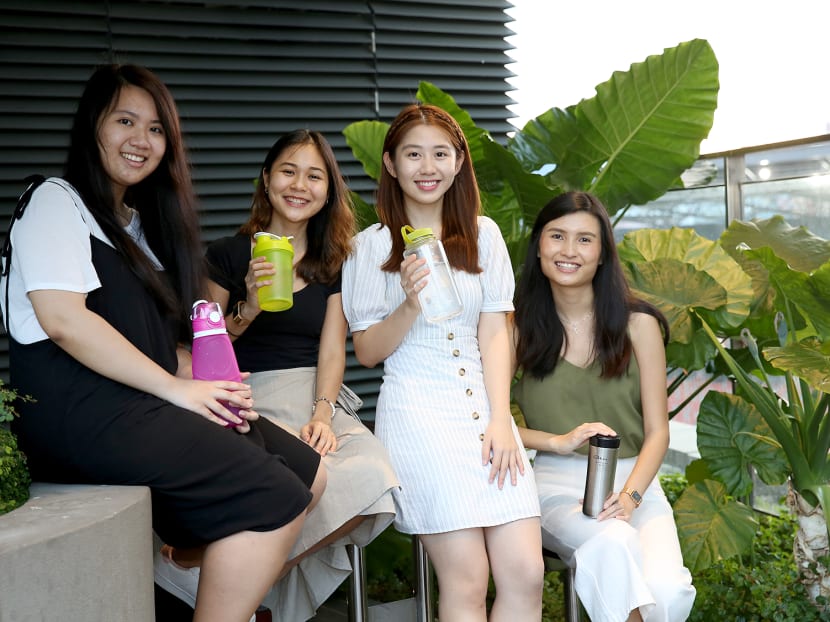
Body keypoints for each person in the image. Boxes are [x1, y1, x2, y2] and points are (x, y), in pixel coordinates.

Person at [1, 64, 326, 622]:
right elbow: (63, 322)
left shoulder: (135, 227)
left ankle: (188, 568)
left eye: (156, 129)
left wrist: (213, 384)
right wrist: (179, 391)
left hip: (136, 402)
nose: (141, 140)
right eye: (125, 121)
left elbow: (157, 343)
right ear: (92, 127)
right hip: (79, 412)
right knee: (276, 496)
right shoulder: (56, 200)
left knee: (310, 474)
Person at [341, 103, 544, 621]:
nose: (426, 167)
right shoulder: (368, 248)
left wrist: (501, 418)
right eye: (413, 154)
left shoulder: (485, 235)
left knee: (526, 573)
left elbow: (496, 330)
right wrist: (409, 302)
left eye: (439, 154)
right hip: (418, 417)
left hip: (485, 415)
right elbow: (366, 351)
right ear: (390, 164)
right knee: (468, 580)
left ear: (458, 163)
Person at [202, 129, 398, 620]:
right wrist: (246, 306)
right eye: (288, 171)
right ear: (267, 179)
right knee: (299, 482)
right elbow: (202, 354)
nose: (299, 185)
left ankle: (230, 571)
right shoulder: (226, 254)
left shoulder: (335, 263)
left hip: (313, 394)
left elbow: (332, 350)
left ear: (328, 191)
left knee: (374, 481)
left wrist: (324, 416)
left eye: (315, 176)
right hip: (247, 395)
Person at [511, 191, 696, 622]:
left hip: (636, 481)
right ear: (539, 244)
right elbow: (489, 423)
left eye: (584, 240)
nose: (569, 251)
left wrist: (631, 497)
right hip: (555, 483)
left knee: (668, 591)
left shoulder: (638, 324)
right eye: (557, 236)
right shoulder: (516, 326)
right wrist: (556, 441)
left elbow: (658, 432)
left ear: (602, 254)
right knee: (612, 543)